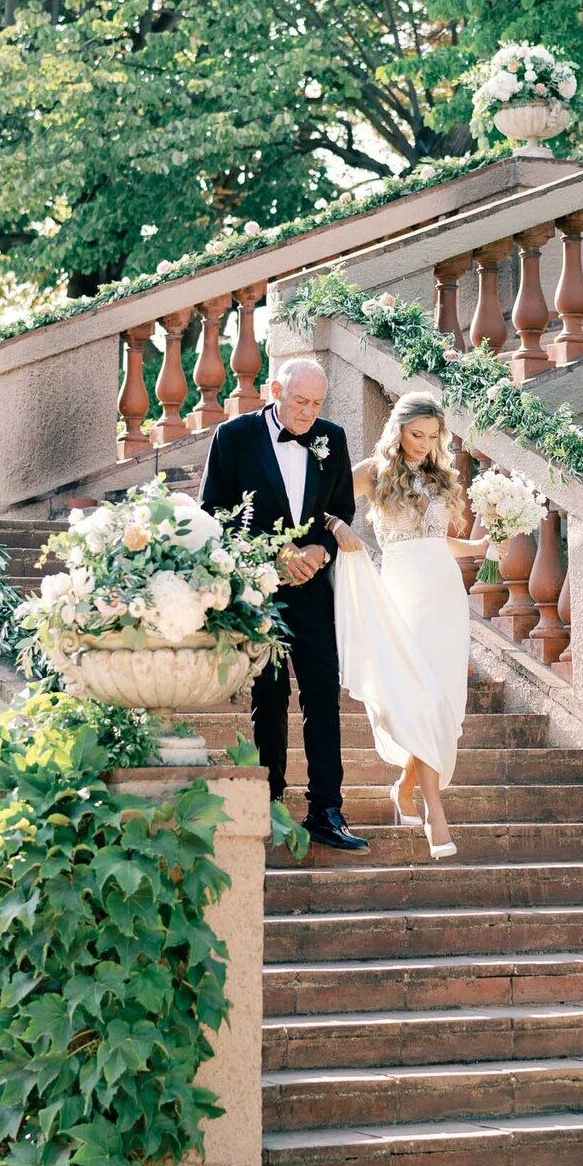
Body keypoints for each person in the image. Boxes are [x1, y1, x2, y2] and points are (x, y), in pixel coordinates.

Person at [198, 355, 368, 852]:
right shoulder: (233, 437)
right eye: (300, 401)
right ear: (275, 389)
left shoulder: (331, 438)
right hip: (259, 588)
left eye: (317, 403)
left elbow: (341, 512)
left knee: (322, 696)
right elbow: (213, 513)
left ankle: (326, 811)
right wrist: (270, 552)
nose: (308, 413)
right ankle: (268, 805)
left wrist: (321, 549)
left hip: (314, 590)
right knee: (269, 699)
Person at [327, 392, 485, 860]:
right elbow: (320, 504)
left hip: (444, 595)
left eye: (433, 437)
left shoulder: (438, 476)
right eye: (417, 435)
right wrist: (340, 529)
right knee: (418, 696)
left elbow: (436, 542)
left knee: (440, 701)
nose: (424, 444)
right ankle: (435, 810)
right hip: (401, 592)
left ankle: (404, 787)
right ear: (397, 431)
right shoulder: (373, 472)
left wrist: (477, 550)